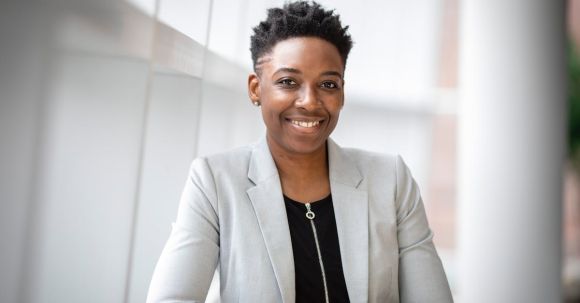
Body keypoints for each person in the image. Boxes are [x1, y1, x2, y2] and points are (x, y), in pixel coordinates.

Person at [146, 1, 453, 302]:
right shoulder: (215, 181)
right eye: (288, 82)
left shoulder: (391, 180)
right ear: (256, 88)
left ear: (342, 92)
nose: (309, 101)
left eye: (328, 85)